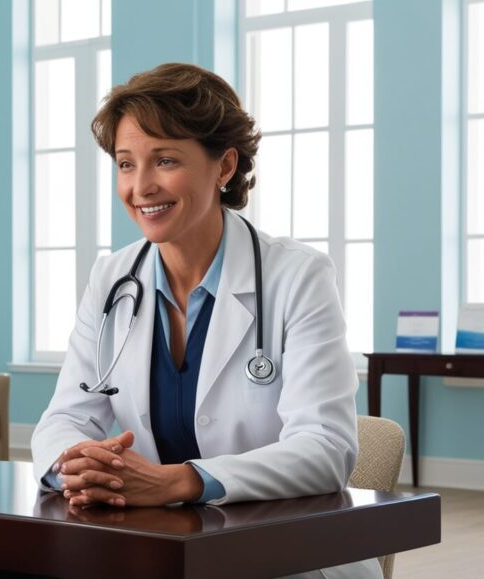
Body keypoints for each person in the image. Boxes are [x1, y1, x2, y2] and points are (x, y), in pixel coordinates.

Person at [30, 63, 380, 578]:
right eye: (126, 164)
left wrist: (180, 481)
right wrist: (78, 468)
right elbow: (65, 418)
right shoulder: (112, 277)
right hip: (157, 552)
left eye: (165, 160)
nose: (141, 186)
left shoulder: (297, 276)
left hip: (284, 557)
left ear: (224, 167)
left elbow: (324, 449)